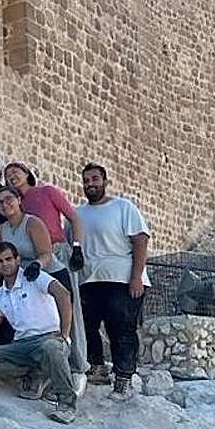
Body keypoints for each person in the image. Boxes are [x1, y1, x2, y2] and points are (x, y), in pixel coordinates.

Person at [0, 242, 79, 424]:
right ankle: (37, 373)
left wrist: (64, 334)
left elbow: (64, 295)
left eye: (8, 259)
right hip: (22, 346)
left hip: (49, 338)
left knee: (52, 348)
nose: (5, 264)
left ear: (17, 260)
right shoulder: (1, 294)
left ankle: (67, 404)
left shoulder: (35, 278)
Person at [76, 163, 151, 401]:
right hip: (90, 279)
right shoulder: (77, 214)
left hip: (122, 278)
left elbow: (140, 240)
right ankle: (97, 366)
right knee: (86, 326)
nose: (90, 184)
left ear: (105, 181)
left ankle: (124, 379)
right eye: (86, 180)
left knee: (121, 328)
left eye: (95, 179)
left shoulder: (123, 207)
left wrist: (136, 277)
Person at [0, 185, 86, 370]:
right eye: (0, 202)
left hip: (48, 273)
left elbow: (46, 253)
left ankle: (76, 364)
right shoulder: (1, 230)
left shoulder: (33, 223)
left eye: (9, 199)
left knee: (65, 322)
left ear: (19, 200)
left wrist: (36, 265)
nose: (5, 204)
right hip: (25, 280)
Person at [5, 161, 85, 275]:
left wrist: (77, 248)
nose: (11, 177)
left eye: (14, 172)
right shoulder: (15, 206)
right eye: (7, 176)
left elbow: (74, 218)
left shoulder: (47, 191)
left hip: (57, 251)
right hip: (34, 257)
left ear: (27, 174)